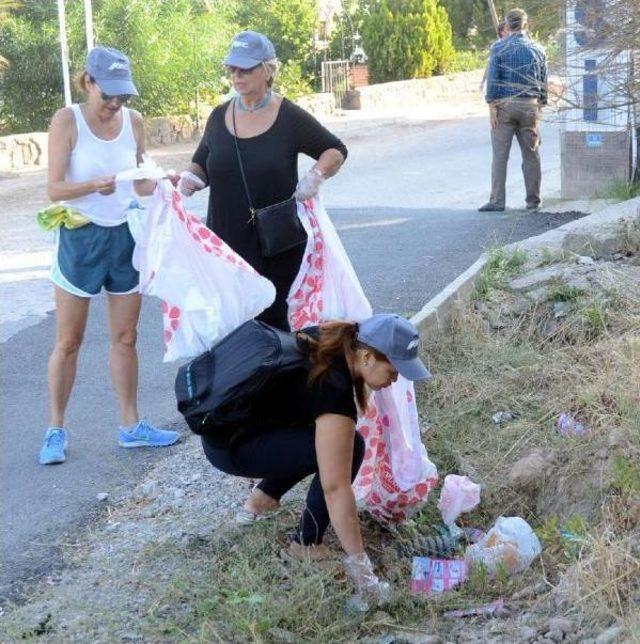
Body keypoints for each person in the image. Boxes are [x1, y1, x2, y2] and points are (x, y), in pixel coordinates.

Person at [200, 313, 432, 602]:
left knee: (334, 443)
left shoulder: (329, 340)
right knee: (349, 448)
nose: (395, 379)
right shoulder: (334, 390)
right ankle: (306, 544)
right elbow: (335, 488)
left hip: (228, 433)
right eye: (394, 370)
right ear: (368, 357)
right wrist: (361, 567)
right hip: (233, 447)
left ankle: (262, 500)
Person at [40, 46, 179, 465]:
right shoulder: (68, 121)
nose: (115, 104)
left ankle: (131, 427)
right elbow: (54, 188)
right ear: (88, 83)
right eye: (108, 95)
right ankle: (55, 429)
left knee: (127, 337)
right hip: (80, 239)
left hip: (124, 238)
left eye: (123, 96)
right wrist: (92, 187)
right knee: (69, 340)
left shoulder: (133, 123)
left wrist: (161, 182)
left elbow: (136, 183)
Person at [178, 31, 348, 331]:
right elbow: (202, 162)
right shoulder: (219, 117)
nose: (236, 75)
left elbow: (335, 150)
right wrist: (189, 179)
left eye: (245, 68)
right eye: (232, 68)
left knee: (271, 328)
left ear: (268, 70)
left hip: (276, 246)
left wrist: (316, 176)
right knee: (231, 325)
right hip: (225, 244)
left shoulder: (288, 117)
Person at [479, 8, 548, 213]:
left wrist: (491, 105)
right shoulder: (539, 49)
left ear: (507, 26)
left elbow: (493, 80)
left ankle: (497, 201)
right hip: (530, 105)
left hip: (505, 106)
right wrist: (540, 103)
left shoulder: (498, 48)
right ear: (526, 25)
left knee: (500, 155)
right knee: (532, 154)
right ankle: (533, 201)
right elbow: (543, 83)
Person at [479, 21, 510, 94]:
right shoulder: (496, 46)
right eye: (507, 29)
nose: (510, 30)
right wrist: (483, 81)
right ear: (502, 32)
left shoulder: (513, 43)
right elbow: (489, 65)